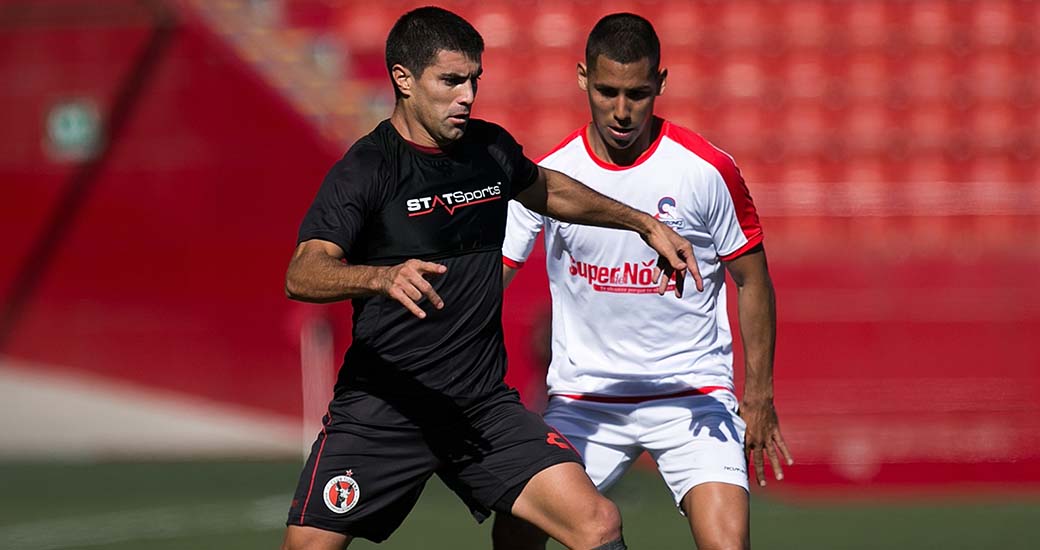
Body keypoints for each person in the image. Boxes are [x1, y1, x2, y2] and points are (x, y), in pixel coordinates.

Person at [281, 7, 702, 550]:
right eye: (451, 80)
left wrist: (643, 223)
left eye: (473, 80)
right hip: (386, 408)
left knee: (597, 523)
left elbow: (549, 189)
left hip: (480, 408)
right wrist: (380, 279)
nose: (467, 95)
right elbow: (303, 271)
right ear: (403, 79)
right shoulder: (365, 169)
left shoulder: (489, 150)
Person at [494, 13, 793, 550]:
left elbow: (753, 281)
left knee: (728, 544)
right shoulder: (549, 175)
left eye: (637, 92)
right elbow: (490, 280)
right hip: (586, 399)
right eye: (607, 90)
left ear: (661, 82)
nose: (622, 110)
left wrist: (759, 392)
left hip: (693, 395)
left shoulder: (706, 171)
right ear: (583, 77)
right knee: (515, 530)